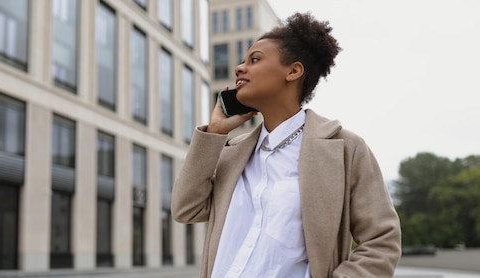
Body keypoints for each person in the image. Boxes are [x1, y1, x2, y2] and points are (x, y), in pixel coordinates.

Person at [171, 12, 401, 278]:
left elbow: (381, 240)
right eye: (242, 61)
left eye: (254, 60)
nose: (239, 68)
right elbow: (186, 209)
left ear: (293, 71)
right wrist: (213, 135)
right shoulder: (233, 152)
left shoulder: (344, 149)